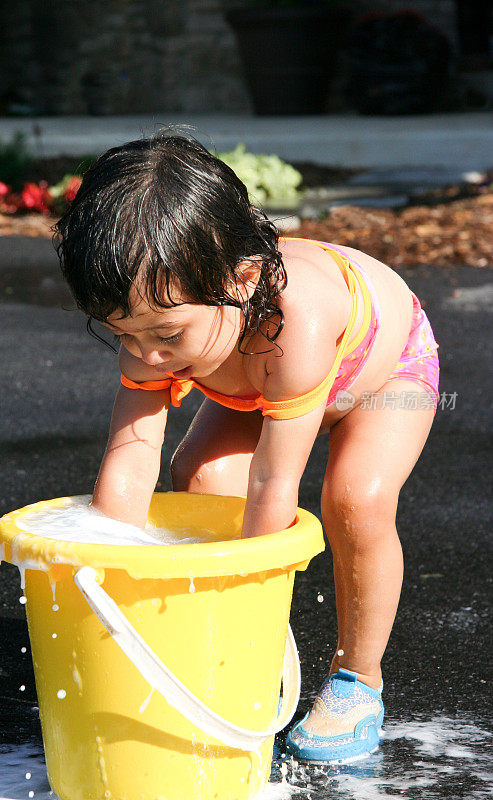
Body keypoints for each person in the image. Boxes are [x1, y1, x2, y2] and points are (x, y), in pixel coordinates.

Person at [54, 131, 440, 763]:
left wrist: (253, 635)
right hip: (253, 387)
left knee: (355, 500)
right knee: (201, 480)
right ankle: (215, 638)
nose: (148, 356)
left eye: (166, 335)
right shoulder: (163, 316)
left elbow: (272, 485)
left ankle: (357, 679)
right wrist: (106, 584)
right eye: (125, 334)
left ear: (241, 280)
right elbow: (129, 454)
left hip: (381, 375)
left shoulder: (296, 325)